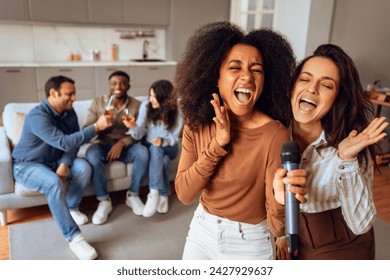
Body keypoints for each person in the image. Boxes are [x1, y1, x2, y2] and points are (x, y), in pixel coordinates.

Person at [173, 21, 303, 260]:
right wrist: (217, 145)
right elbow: (184, 193)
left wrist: (279, 197)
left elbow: (276, 226)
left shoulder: (275, 135)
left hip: (250, 241)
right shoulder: (196, 124)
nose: (247, 77)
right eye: (236, 67)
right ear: (215, 76)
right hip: (202, 230)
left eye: (257, 69)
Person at [274, 44, 389, 260]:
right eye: (305, 79)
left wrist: (347, 160)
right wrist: (281, 232)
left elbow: (361, 223)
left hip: (342, 244)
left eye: (326, 85)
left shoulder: (351, 144)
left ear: (338, 97)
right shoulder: (273, 133)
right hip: (291, 236)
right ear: (292, 86)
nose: (312, 89)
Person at [12, 75, 112, 260]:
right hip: (27, 165)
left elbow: (73, 145)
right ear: (53, 93)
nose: (74, 98)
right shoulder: (37, 116)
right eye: (69, 94)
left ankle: (72, 207)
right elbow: (65, 142)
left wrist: (65, 163)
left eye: (74, 94)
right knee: (53, 182)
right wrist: (96, 127)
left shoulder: (69, 112)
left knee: (84, 167)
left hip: (55, 162)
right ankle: (74, 238)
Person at [84, 71, 149, 223]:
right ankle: (104, 201)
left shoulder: (137, 105)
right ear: (109, 85)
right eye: (114, 83)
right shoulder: (98, 102)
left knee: (143, 153)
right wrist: (100, 125)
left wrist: (122, 143)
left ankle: (132, 195)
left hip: (125, 146)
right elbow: (86, 129)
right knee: (92, 155)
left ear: (128, 86)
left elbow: (141, 132)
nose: (118, 87)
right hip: (102, 144)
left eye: (122, 83)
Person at [123, 79, 183, 217]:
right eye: (150, 95)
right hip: (151, 146)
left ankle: (153, 192)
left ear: (164, 98)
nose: (151, 99)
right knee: (163, 159)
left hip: (170, 146)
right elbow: (139, 134)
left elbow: (175, 137)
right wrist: (133, 127)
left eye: (154, 96)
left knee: (157, 149)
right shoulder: (146, 106)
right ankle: (163, 195)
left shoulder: (177, 110)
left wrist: (163, 140)